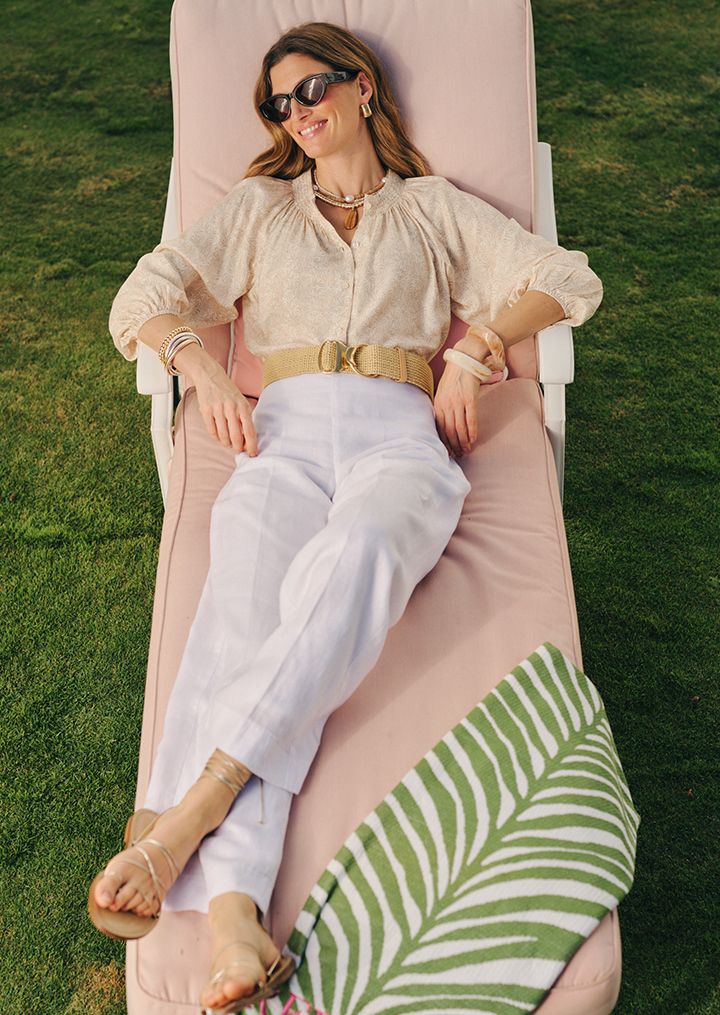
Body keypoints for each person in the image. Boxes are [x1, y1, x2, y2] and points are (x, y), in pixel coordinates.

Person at [88, 20, 603, 1014]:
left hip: (396, 430)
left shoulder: (434, 211)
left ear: (362, 87)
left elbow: (566, 277)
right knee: (245, 612)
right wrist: (199, 363)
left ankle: (188, 817)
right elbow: (144, 297)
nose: (300, 111)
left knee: (358, 560)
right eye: (280, 103)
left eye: (315, 87)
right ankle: (237, 915)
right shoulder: (259, 209)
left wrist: (478, 342)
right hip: (276, 433)